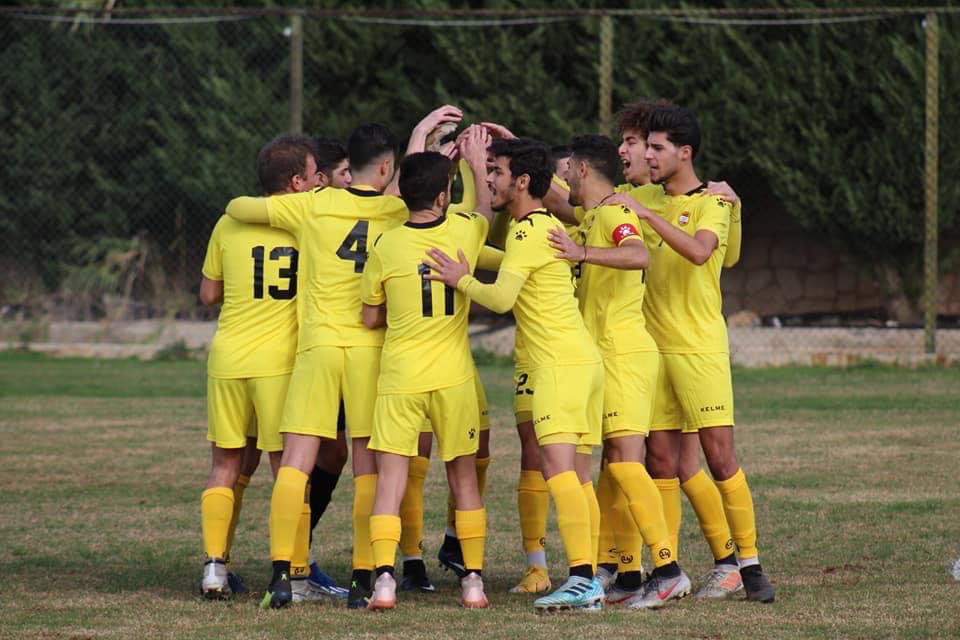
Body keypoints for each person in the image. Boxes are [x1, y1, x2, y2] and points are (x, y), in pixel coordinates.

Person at [225, 106, 464, 610]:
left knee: (296, 461)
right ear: (386, 167)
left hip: (318, 349)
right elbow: (408, 192)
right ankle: (362, 578)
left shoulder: (312, 205)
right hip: (369, 353)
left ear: (346, 163)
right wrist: (421, 137)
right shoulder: (394, 210)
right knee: (368, 468)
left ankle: (282, 574)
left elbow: (238, 208)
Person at [425, 138, 605, 612]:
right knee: (578, 478)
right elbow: (509, 262)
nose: (490, 180)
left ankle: (584, 580)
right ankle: (593, 576)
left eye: (497, 172)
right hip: (583, 362)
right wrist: (463, 254)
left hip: (557, 366)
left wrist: (460, 280)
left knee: (558, 472)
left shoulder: (527, 233)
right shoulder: (543, 226)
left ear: (522, 181)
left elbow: (502, 298)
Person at [609, 105, 775, 603]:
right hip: (652, 350)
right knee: (661, 461)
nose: (647, 155)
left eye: (656, 147)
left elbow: (703, 252)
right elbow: (587, 200)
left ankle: (749, 565)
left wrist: (648, 217)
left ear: (685, 153)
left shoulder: (713, 202)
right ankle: (669, 574)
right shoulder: (643, 196)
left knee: (719, 458)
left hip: (699, 348)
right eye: (645, 146)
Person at [548, 134, 691, 609]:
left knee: (628, 463)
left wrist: (581, 255)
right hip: (605, 356)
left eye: (567, 169)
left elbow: (638, 255)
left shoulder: (614, 212)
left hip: (625, 354)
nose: (564, 177)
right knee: (614, 466)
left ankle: (668, 571)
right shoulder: (593, 215)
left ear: (583, 169)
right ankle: (629, 573)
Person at [360, 149, 494, 610]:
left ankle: (383, 580)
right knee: (464, 478)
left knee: (391, 478)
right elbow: (485, 208)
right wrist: (475, 164)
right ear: (442, 197)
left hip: (401, 376)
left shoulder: (386, 245)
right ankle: (472, 581)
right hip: (452, 377)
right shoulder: (464, 231)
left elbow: (370, 316)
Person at [198, 133, 319, 598]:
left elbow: (208, 293)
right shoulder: (308, 217)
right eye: (313, 175)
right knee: (288, 469)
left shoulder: (228, 222)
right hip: (279, 363)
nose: (319, 183)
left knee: (224, 464)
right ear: (295, 182)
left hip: (228, 358)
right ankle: (294, 571)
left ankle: (214, 567)